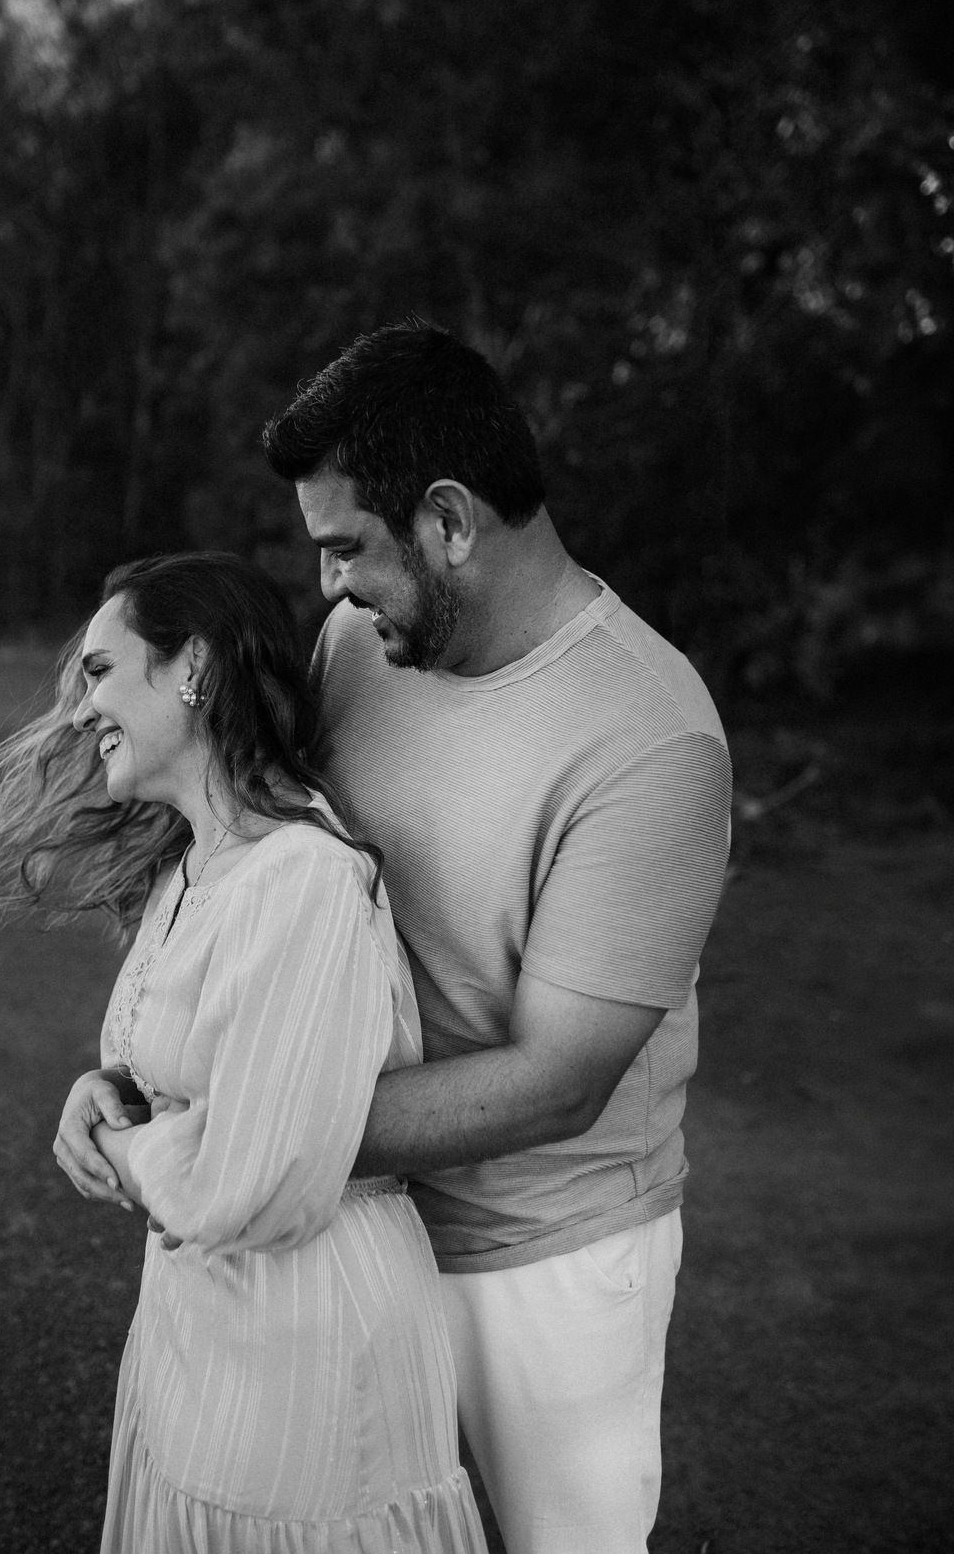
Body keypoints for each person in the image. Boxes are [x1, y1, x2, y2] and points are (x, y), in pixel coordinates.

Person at [257, 320, 734, 1554]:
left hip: (548, 1261)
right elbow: (275, 882)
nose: (330, 586)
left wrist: (261, 1127)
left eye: (348, 548)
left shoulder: (651, 735)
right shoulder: (357, 647)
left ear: (450, 521)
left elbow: (559, 1079)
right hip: (361, 1225)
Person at [0, 553, 486, 1554]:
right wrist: (105, 1090)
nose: (79, 712)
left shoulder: (303, 878)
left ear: (192, 665)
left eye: (100, 672)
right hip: (203, 1322)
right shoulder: (195, 867)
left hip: (307, 1344)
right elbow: (191, 1072)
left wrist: (127, 1148)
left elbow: (252, 1182)